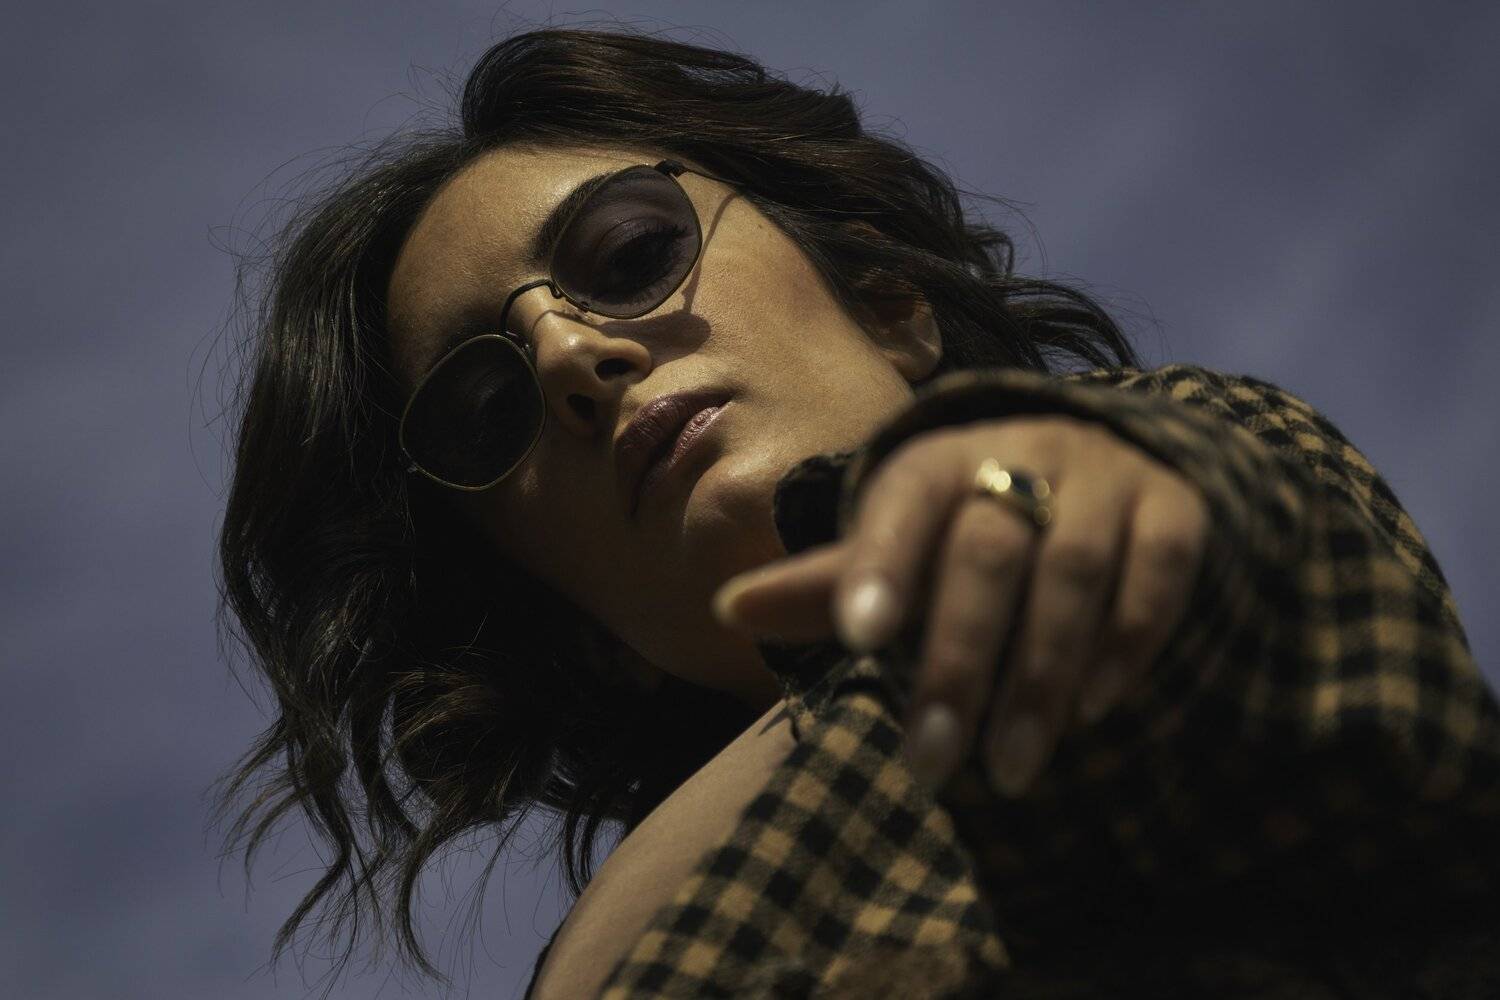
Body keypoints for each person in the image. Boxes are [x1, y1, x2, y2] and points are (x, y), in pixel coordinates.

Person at [215, 27, 1499, 999]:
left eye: (630, 253)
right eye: (486, 411)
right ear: (573, 626)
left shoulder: (1161, 464)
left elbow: (1241, 572)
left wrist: (1048, 492)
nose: (568, 356)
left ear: (890, 304)